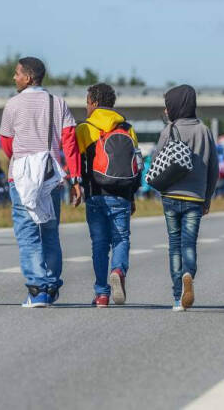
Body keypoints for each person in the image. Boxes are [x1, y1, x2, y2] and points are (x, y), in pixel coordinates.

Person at [0, 57, 81, 308]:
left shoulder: (12, 105)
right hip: (50, 176)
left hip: (22, 176)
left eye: (17, 74)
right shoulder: (58, 103)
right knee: (49, 232)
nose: (14, 78)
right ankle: (51, 284)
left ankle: (38, 289)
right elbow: (70, 142)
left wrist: (24, 158)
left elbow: (6, 143)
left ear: (29, 77)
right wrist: (76, 179)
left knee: (27, 234)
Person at [153, 85, 219, 312]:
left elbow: (157, 160)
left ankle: (176, 296)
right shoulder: (204, 130)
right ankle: (188, 273)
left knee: (174, 245)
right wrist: (207, 197)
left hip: (170, 195)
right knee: (189, 242)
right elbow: (214, 168)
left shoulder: (168, 130)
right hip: (195, 197)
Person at [76, 83, 141, 308]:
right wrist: (132, 195)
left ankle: (101, 294)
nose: (86, 107)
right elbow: (136, 164)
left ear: (93, 103)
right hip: (122, 194)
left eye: (87, 102)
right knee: (121, 238)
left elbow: (79, 165)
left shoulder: (85, 128)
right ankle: (118, 270)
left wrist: (78, 186)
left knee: (99, 244)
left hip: (95, 194)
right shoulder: (126, 127)